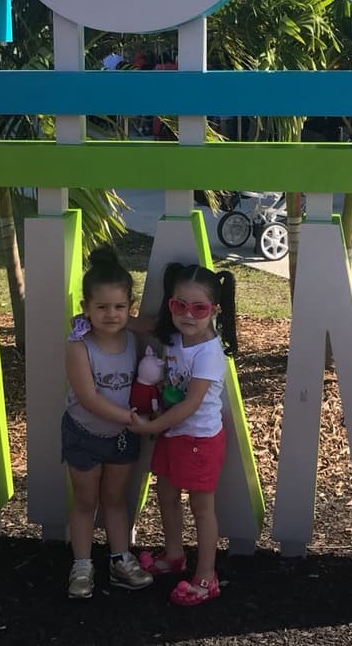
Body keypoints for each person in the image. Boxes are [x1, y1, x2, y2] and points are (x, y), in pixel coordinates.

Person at [129, 263, 237, 606]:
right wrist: (110, 320)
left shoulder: (208, 353)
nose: (188, 315)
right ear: (171, 306)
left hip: (198, 440)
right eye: (179, 306)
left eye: (199, 308)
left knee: (202, 509)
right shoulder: (175, 335)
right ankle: (175, 555)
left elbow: (191, 404)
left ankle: (207, 575)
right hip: (174, 434)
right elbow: (146, 326)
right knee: (165, 492)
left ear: (214, 312)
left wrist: (151, 427)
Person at [61, 245, 154, 599]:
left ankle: (120, 560)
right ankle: (82, 565)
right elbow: (89, 398)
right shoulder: (78, 345)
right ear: (84, 308)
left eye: (119, 307)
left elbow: (157, 326)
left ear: (129, 309)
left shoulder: (132, 338)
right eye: (100, 307)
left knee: (115, 501)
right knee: (86, 501)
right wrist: (134, 420)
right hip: (85, 434)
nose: (110, 314)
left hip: (121, 438)